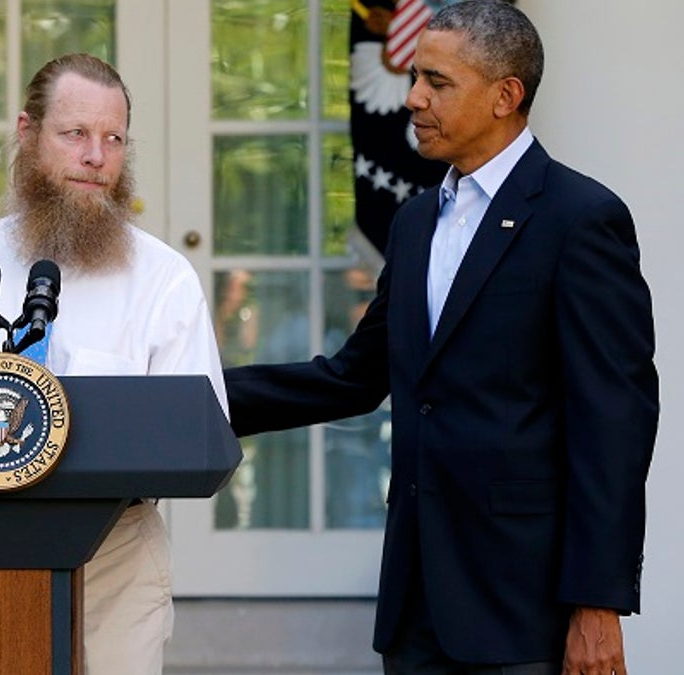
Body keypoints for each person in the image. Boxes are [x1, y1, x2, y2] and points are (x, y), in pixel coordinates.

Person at [225, 2, 658, 674]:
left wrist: (598, 602)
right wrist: (200, 396)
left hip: (526, 606)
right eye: (415, 78)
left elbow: (615, 423)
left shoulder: (581, 220)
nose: (413, 98)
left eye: (437, 82)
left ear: (505, 96)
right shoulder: (415, 222)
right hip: (416, 603)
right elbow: (354, 375)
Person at [0, 53, 228, 675]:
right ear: (27, 133)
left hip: (117, 555)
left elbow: (199, 433)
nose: (96, 157)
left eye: (113, 139)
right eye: (75, 134)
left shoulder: (163, 280)